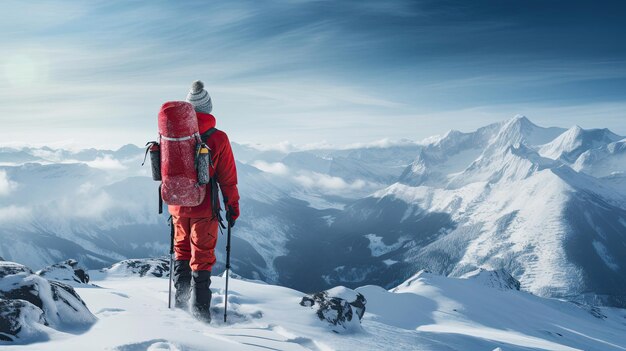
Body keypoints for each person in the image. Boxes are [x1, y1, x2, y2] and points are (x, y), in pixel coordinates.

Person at [169, 80, 240, 322]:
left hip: (177, 205)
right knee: (201, 257)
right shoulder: (218, 138)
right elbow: (227, 179)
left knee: (181, 251)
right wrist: (232, 207)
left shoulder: (173, 134)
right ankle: (200, 317)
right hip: (204, 207)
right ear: (208, 108)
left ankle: (179, 309)